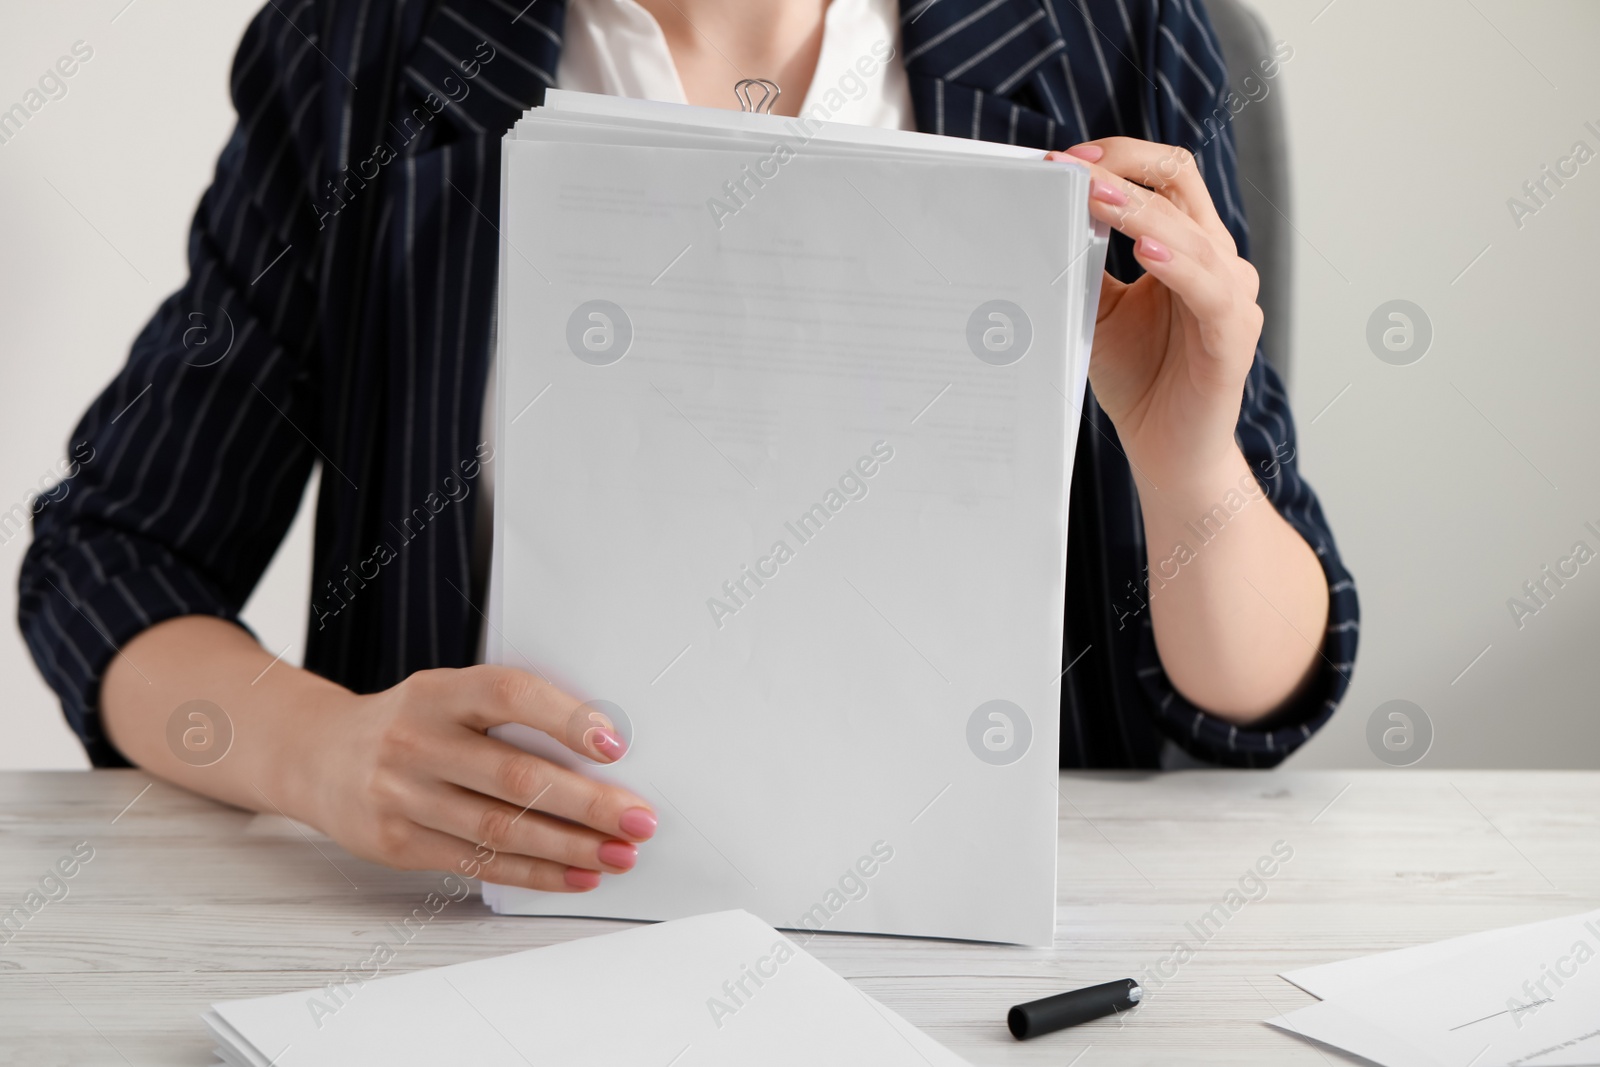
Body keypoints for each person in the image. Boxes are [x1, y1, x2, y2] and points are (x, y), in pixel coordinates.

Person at [19, 0, 1358, 895]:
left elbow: (1255, 701)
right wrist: (323, 757)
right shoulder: (363, 45)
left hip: (982, 977)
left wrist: (1190, 467)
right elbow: (113, 562)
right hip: (476, 956)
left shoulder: (1113, 32)